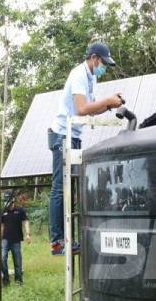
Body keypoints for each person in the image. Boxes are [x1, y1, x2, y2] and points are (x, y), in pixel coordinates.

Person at [48, 41, 123, 255]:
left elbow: (90, 110)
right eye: (103, 63)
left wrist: (109, 104)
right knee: (59, 188)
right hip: (62, 133)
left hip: (74, 134)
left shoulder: (92, 77)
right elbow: (81, 109)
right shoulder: (79, 75)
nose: (103, 67)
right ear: (94, 58)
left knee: (70, 188)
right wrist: (106, 101)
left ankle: (69, 239)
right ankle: (57, 242)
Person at [1, 192, 30, 285]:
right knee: (2, 258)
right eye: (5, 201)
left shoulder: (20, 210)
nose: (7, 203)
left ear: (13, 200)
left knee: (17, 261)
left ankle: (18, 281)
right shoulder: (3, 211)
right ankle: (6, 279)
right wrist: (0, 239)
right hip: (5, 239)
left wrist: (28, 234)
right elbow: (2, 226)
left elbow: (25, 222)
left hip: (16, 240)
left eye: (8, 200)